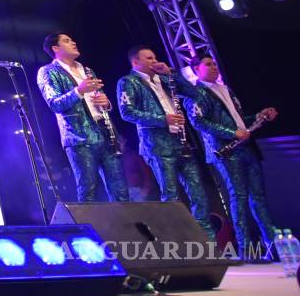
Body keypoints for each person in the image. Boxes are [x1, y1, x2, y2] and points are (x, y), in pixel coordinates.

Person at [186, 54, 279, 259]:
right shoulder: (196, 93)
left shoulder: (225, 89)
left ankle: (273, 248)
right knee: (239, 198)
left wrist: (258, 117)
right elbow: (199, 122)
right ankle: (246, 250)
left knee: (259, 197)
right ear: (196, 70)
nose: (214, 67)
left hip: (246, 147)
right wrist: (231, 133)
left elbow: (239, 122)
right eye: (208, 64)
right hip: (226, 151)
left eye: (214, 63)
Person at [116, 46, 215, 238]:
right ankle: (175, 242)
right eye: (149, 58)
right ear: (135, 62)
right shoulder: (128, 81)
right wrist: (163, 120)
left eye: (154, 57)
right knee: (170, 195)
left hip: (181, 142)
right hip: (157, 145)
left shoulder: (164, 79)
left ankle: (206, 241)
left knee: (198, 193)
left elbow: (194, 93)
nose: (154, 61)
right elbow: (127, 112)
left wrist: (171, 73)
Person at [36, 32, 130, 202]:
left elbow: (100, 99)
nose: (73, 42)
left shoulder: (87, 70)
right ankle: (88, 221)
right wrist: (79, 90)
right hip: (79, 137)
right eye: (67, 41)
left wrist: (106, 103)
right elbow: (54, 104)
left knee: (120, 188)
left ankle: (123, 220)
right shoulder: (48, 71)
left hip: (105, 133)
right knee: (88, 189)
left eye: (72, 39)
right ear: (56, 48)